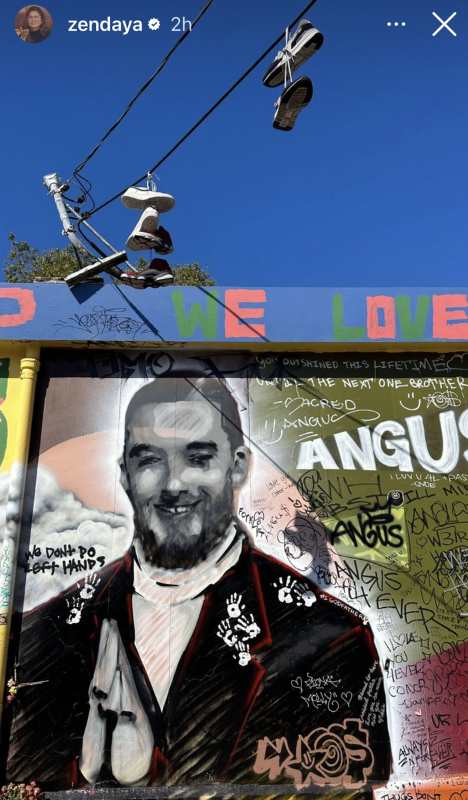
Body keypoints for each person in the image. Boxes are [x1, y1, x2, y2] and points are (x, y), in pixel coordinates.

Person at [6, 377, 391, 794]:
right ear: (124, 474)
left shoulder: (331, 642)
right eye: (149, 460)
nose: (173, 484)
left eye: (198, 458)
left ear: (238, 465)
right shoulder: (41, 638)